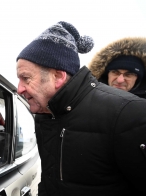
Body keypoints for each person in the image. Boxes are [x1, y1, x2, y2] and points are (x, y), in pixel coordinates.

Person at [16, 21, 146, 195]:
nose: (19, 89)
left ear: (58, 77)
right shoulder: (45, 114)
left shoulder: (128, 112)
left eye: (26, 78)